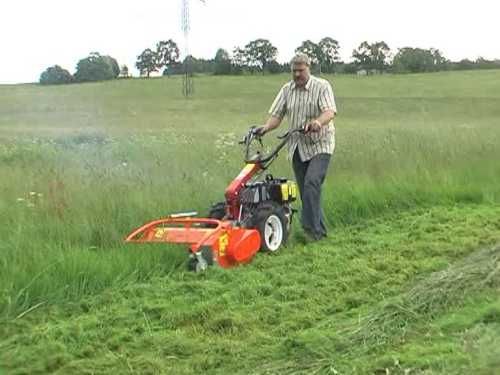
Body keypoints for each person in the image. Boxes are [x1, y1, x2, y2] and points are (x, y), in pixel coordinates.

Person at [256, 53, 337, 241]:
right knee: (306, 191)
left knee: (312, 183)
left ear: (309, 68)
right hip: (297, 147)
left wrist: (318, 122)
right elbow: (277, 115)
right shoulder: (287, 90)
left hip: (320, 144)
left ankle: (310, 230)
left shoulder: (322, 86)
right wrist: (266, 127)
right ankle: (320, 233)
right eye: (294, 71)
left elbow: (329, 111)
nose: (297, 74)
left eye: (301, 70)